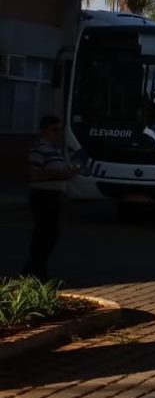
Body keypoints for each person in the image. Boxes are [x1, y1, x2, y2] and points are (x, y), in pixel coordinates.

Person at [22, 115, 76, 280]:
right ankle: (35, 270)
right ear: (45, 130)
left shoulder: (55, 149)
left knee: (51, 234)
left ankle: (36, 269)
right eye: (54, 130)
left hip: (54, 195)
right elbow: (35, 174)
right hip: (43, 196)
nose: (58, 133)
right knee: (44, 234)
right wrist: (60, 174)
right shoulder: (40, 149)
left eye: (59, 130)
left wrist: (68, 173)